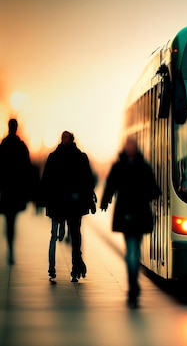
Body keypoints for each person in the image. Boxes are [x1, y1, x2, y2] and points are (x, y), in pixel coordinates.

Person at [100, 138, 160, 308]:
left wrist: (105, 200)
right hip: (135, 213)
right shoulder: (142, 166)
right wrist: (105, 201)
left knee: (132, 249)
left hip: (131, 213)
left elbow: (111, 185)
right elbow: (152, 189)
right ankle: (133, 284)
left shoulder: (121, 166)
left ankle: (133, 284)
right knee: (134, 248)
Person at [38, 131, 96, 281]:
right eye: (63, 137)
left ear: (71, 139)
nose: (64, 139)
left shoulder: (58, 157)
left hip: (68, 203)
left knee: (73, 234)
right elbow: (87, 181)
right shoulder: (75, 157)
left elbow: (87, 182)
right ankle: (74, 266)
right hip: (67, 203)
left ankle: (75, 266)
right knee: (74, 234)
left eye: (66, 137)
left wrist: (89, 198)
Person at [0, 119, 33, 265]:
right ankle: (11, 247)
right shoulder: (21, 146)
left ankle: (10, 246)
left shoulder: (3, 145)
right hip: (16, 190)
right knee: (12, 218)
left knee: (9, 218)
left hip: (6, 189)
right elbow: (27, 169)